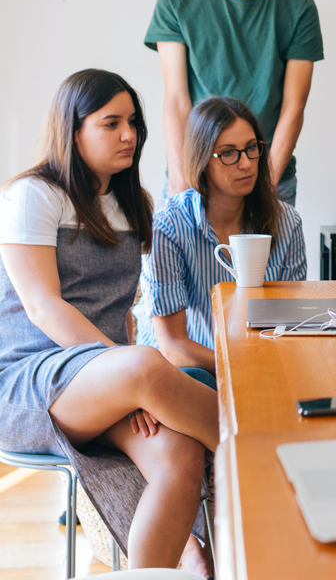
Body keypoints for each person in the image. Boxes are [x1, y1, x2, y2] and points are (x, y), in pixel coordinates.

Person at [0, 70, 217, 572]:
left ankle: (164, 569)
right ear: (73, 130)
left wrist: (125, 379)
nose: (129, 134)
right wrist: (126, 372)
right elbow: (42, 306)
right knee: (147, 366)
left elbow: (122, 309)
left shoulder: (131, 202)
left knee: (180, 456)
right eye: (111, 123)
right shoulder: (33, 194)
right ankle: (265, 450)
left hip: (104, 381)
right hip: (29, 383)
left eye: (134, 123)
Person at [145, 0, 324, 206]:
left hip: (269, 175)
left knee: (272, 261)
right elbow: (176, 100)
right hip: (197, 175)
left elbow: (293, 108)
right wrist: (182, 183)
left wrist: (265, 186)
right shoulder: (177, 0)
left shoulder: (298, 8)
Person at [136, 98, 307, 376]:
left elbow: (289, 324)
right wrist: (239, 367)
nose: (246, 164)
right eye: (228, 153)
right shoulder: (168, 226)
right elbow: (173, 346)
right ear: (202, 159)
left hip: (257, 363)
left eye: (252, 149)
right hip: (183, 370)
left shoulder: (287, 221)